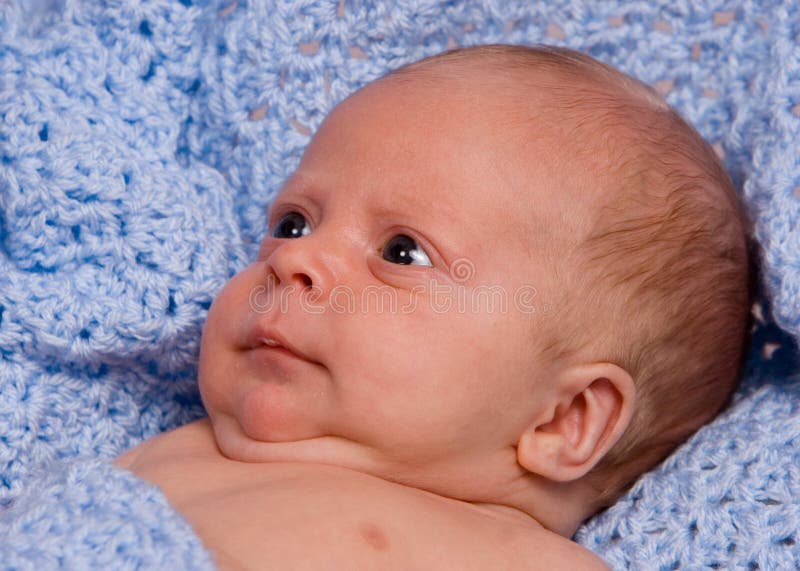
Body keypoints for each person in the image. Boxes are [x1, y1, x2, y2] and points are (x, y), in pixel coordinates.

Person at [114, 44, 753, 569]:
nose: (292, 261)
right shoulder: (168, 453)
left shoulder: (520, 561)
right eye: (293, 223)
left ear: (561, 419)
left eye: (402, 252)